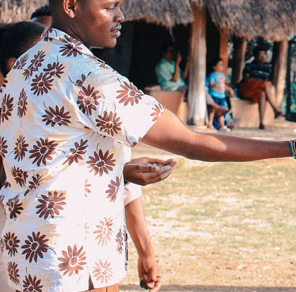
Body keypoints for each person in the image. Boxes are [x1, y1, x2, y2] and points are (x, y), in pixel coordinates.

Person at [0, 0, 296, 292]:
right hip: (74, 261)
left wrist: (117, 171)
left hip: (28, 255)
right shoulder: (87, 77)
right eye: (110, 7)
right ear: (71, 6)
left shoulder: (25, 66)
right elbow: (193, 143)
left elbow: (46, 159)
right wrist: (294, 147)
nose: (120, 17)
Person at [0, 20, 175, 292]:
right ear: (16, 64)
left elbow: (128, 193)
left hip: (89, 262)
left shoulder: (91, 97)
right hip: (36, 258)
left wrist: (147, 251)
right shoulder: (14, 104)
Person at [237, 43, 283, 129]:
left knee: (262, 94)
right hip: (246, 89)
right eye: (260, 55)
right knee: (266, 84)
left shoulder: (268, 66)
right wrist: (260, 82)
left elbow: (268, 80)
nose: (262, 57)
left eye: (264, 55)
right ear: (255, 56)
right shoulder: (249, 65)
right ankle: (275, 108)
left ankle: (261, 122)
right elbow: (246, 79)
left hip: (257, 90)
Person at [206, 58, 234, 131]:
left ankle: (222, 126)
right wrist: (215, 85)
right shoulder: (212, 75)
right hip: (214, 95)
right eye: (220, 64)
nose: (222, 66)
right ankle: (210, 124)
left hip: (222, 96)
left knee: (221, 112)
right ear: (214, 67)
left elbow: (223, 85)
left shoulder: (222, 75)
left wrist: (230, 89)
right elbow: (210, 86)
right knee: (212, 110)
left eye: (222, 64)